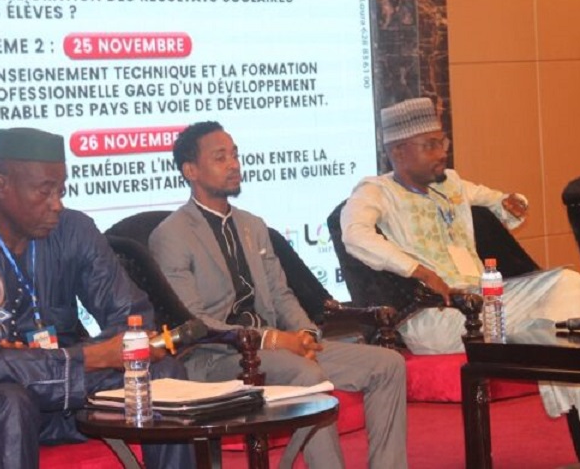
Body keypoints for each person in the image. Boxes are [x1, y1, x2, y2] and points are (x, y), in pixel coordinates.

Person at [340, 97, 580, 457]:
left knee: (564, 332)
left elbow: (502, 204)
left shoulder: (452, 185)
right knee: (569, 290)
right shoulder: (376, 192)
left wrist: (511, 205)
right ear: (398, 151)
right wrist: (418, 270)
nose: (442, 152)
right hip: (438, 320)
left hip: (489, 303)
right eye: (430, 145)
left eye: (442, 142)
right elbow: (355, 235)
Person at [0, 128, 193, 469]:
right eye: (44, 191)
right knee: (10, 399)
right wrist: (91, 356)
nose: (56, 204)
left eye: (61, 191)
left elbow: (133, 320)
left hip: (60, 389)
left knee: (164, 373)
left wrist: (51, 360)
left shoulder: (74, 230)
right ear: (1, 185)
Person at [149, 121, 408, 469]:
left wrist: (306, 334)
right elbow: (195, 322)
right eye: (220, 157)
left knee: (388, 364)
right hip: (217, 356)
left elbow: (280, 294)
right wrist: (272, 340)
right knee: (306, 374)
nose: (233, 164)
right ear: (190, 170)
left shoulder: (253, 225)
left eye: (235, 155)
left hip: (279, 348)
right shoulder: (171, 235)